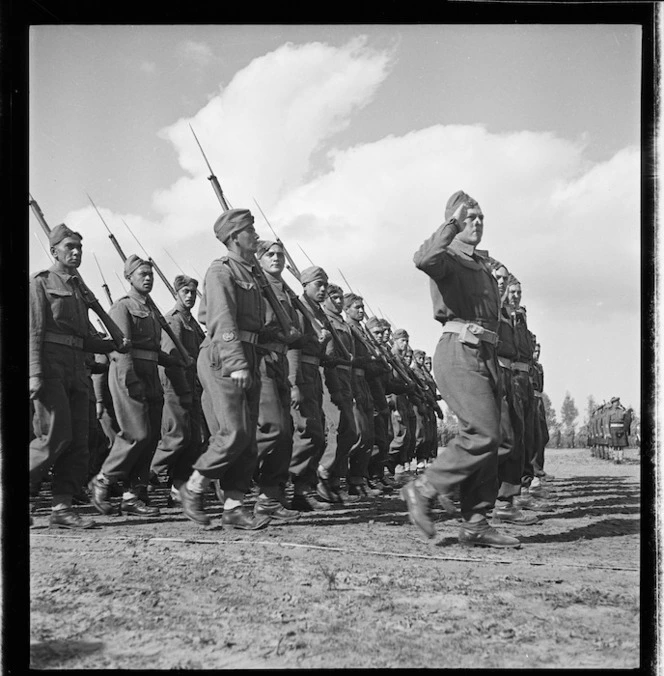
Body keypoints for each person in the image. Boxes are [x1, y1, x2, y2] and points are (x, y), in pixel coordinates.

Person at [403, 190, 520, 548]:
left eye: (481, 217)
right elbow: (423, 258)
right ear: (453, 221)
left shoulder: (481, 264)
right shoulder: (448, 256)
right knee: (482, 432)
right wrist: (451, 224)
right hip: (459, 351)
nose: (477, 223)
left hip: (485, 353)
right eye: (470, 217)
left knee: (492, 437)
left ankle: (476, 524)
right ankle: (423, 488)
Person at [176, 209, 271, 530]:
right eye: (250, 231)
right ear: (234, 238)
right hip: (224, 355)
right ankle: (194, 488)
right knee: (233, 432)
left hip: (249, 353)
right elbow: (221, 318)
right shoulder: (221, 271)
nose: (255, 236)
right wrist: (235, 362)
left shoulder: (251, 272)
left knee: (248, 437)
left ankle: (233, 506)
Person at [30, 224, 128, 528]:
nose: (76, 252)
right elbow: (33, 331)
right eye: (70, 246)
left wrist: (113, 344)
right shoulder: (40, 283)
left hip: (78, 367)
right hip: (51, 366)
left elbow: (83, 337)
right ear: (54, 250)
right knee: (53, 436)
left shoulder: (77, 288)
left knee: (79, 440)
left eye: (80, 248)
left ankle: (62, 507)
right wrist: (34, 373)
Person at [88, 255, 182, 518]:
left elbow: (151, 349)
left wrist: (175, 362)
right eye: (142, 273)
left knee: (150, 437)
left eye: (150, 273)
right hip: (129, 376)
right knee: (136, 433)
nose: (148, 278)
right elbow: (123, 349)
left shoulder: (151, 310)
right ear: (129, 277)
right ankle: (104, 479)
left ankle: (133, 495)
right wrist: (131, 381)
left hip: (151, 375)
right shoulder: (123, 307)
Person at [252, 240, 302, 522]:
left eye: (280, 255)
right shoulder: (257, 287)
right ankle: (227, 475)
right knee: (273, 428)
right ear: (259, 259)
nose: (276, 259)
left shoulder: (283, 290)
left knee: (285, 434)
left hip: (281, 360)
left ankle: (270, 496)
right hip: (262, 359)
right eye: (269, 255)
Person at [149, 275, 206, 507]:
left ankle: (177, 490)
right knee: (176, 438)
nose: (190, 296)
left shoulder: (191, 322)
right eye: (185, 292)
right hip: (176, 387)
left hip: (191, 388)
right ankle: (145, 480)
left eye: (193, 292)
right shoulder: (172, 321)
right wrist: (181, 390)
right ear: (176, 293)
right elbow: (171, 360)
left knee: (194, 441)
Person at [288, 266, 334, 511]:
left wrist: (324, 342)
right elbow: (294, 346)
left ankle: (304, 488)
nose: (323, 289)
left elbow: (322, 352)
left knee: (316, 434)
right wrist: (293, 382)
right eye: (318, 284)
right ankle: (297, 489)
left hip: (314, 374)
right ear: (305, 285)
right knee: (307, 432)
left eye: (325, 284)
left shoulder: (318, 313)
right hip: (302, 374)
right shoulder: (299, 309)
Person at [317, 283, 360, 505]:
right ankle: (323, 472)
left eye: (340, 297)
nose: (338, 301)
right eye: (334, 297)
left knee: (351, 432)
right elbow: (327, 355)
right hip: (330, 375)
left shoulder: (342, 323)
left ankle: (332, 478)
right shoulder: (323, 320)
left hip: (345, 377)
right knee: (337, 427)